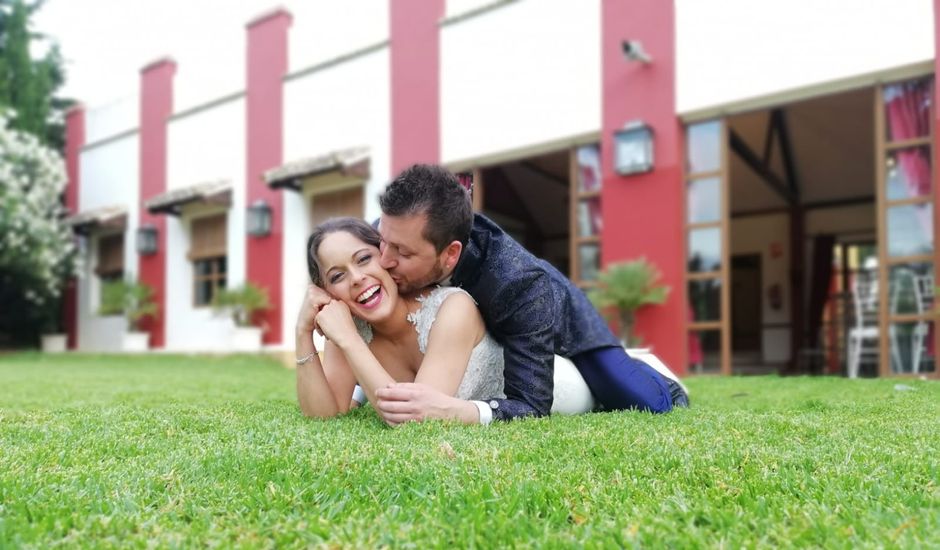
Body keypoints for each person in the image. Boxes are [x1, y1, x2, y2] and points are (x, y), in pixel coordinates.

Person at [371, 164, 688, 424]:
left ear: (450, 254)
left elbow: (530, 405)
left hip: (564, 325)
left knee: (644, 401)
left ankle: (648, 369)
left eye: (401, 253)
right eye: (383, 241)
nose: (383, 260)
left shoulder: (520, 285)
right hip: (495, 326)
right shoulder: (396, 232)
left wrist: (461, 412)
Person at [294, 217, 596, 423]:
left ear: (386, 256)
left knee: (616, 383)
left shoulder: (452, 307)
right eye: (337, 276)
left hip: (559, 388)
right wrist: (302, 332)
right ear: (327, 291)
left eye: (363, 259)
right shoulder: (349, 324)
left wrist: (348, 340)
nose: (357, 279)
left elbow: (413, 421)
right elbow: (325, 417)